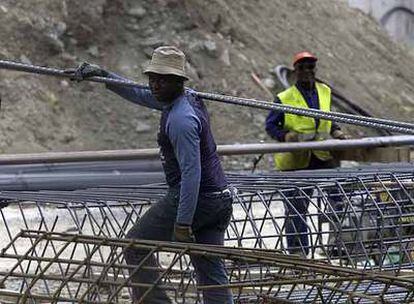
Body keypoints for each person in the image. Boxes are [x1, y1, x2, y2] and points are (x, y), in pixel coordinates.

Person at [70, 46, 234, 304]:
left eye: (163, 80)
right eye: (152, 79)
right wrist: (104, 76)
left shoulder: (181, 119)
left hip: (198, 198)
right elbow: (139, 93)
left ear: (178, 82)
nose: (155, 85)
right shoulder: (184, 98)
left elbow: (192, 175)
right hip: (219, 198)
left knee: (136, 245)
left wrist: (182, 222)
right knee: (210, 271)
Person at [265, 51, 350, 256]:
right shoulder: (284, 98)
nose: (307, 71)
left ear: (315, 69)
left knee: (338, 200)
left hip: (323, 156)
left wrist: (336, 131)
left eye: (310, 67)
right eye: (302, 67)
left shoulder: (324, 91)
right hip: (296, 160)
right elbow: (270, 125)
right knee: (296, 209)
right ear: (295, 71)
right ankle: (298, 254)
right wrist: (285, 136)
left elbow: (328, 118)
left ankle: (338, 246)